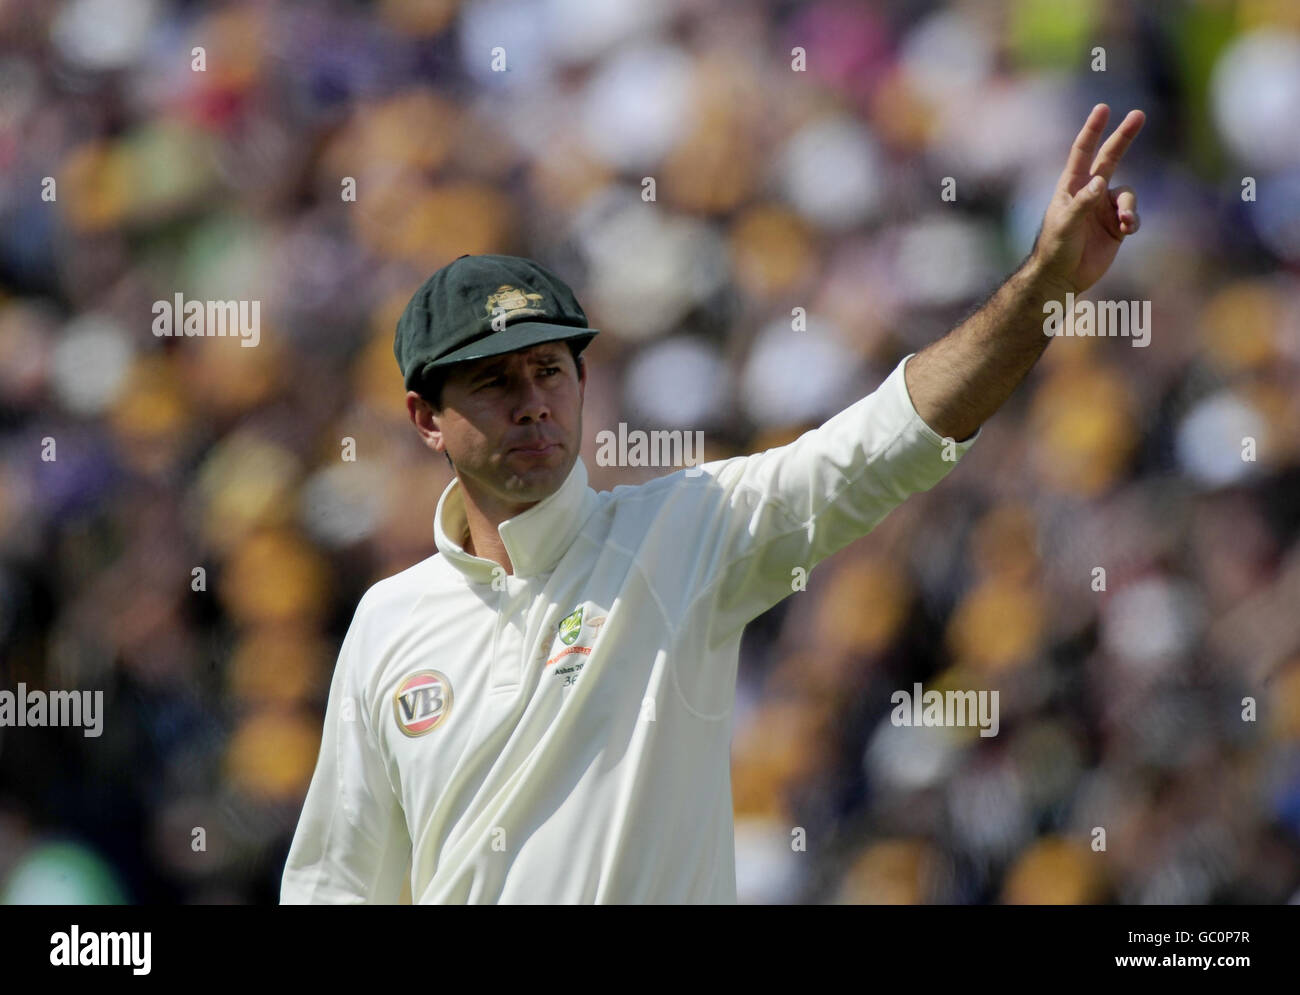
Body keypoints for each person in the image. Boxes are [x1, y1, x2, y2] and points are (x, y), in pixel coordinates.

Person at [280, 104, 1145, 904]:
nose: (534, 401)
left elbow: (892, 437)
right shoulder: (388, 622)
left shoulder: (685, 530)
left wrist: (1044, 287)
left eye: (550, 370)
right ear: (425, 419)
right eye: (495, 381)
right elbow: (337, 885)